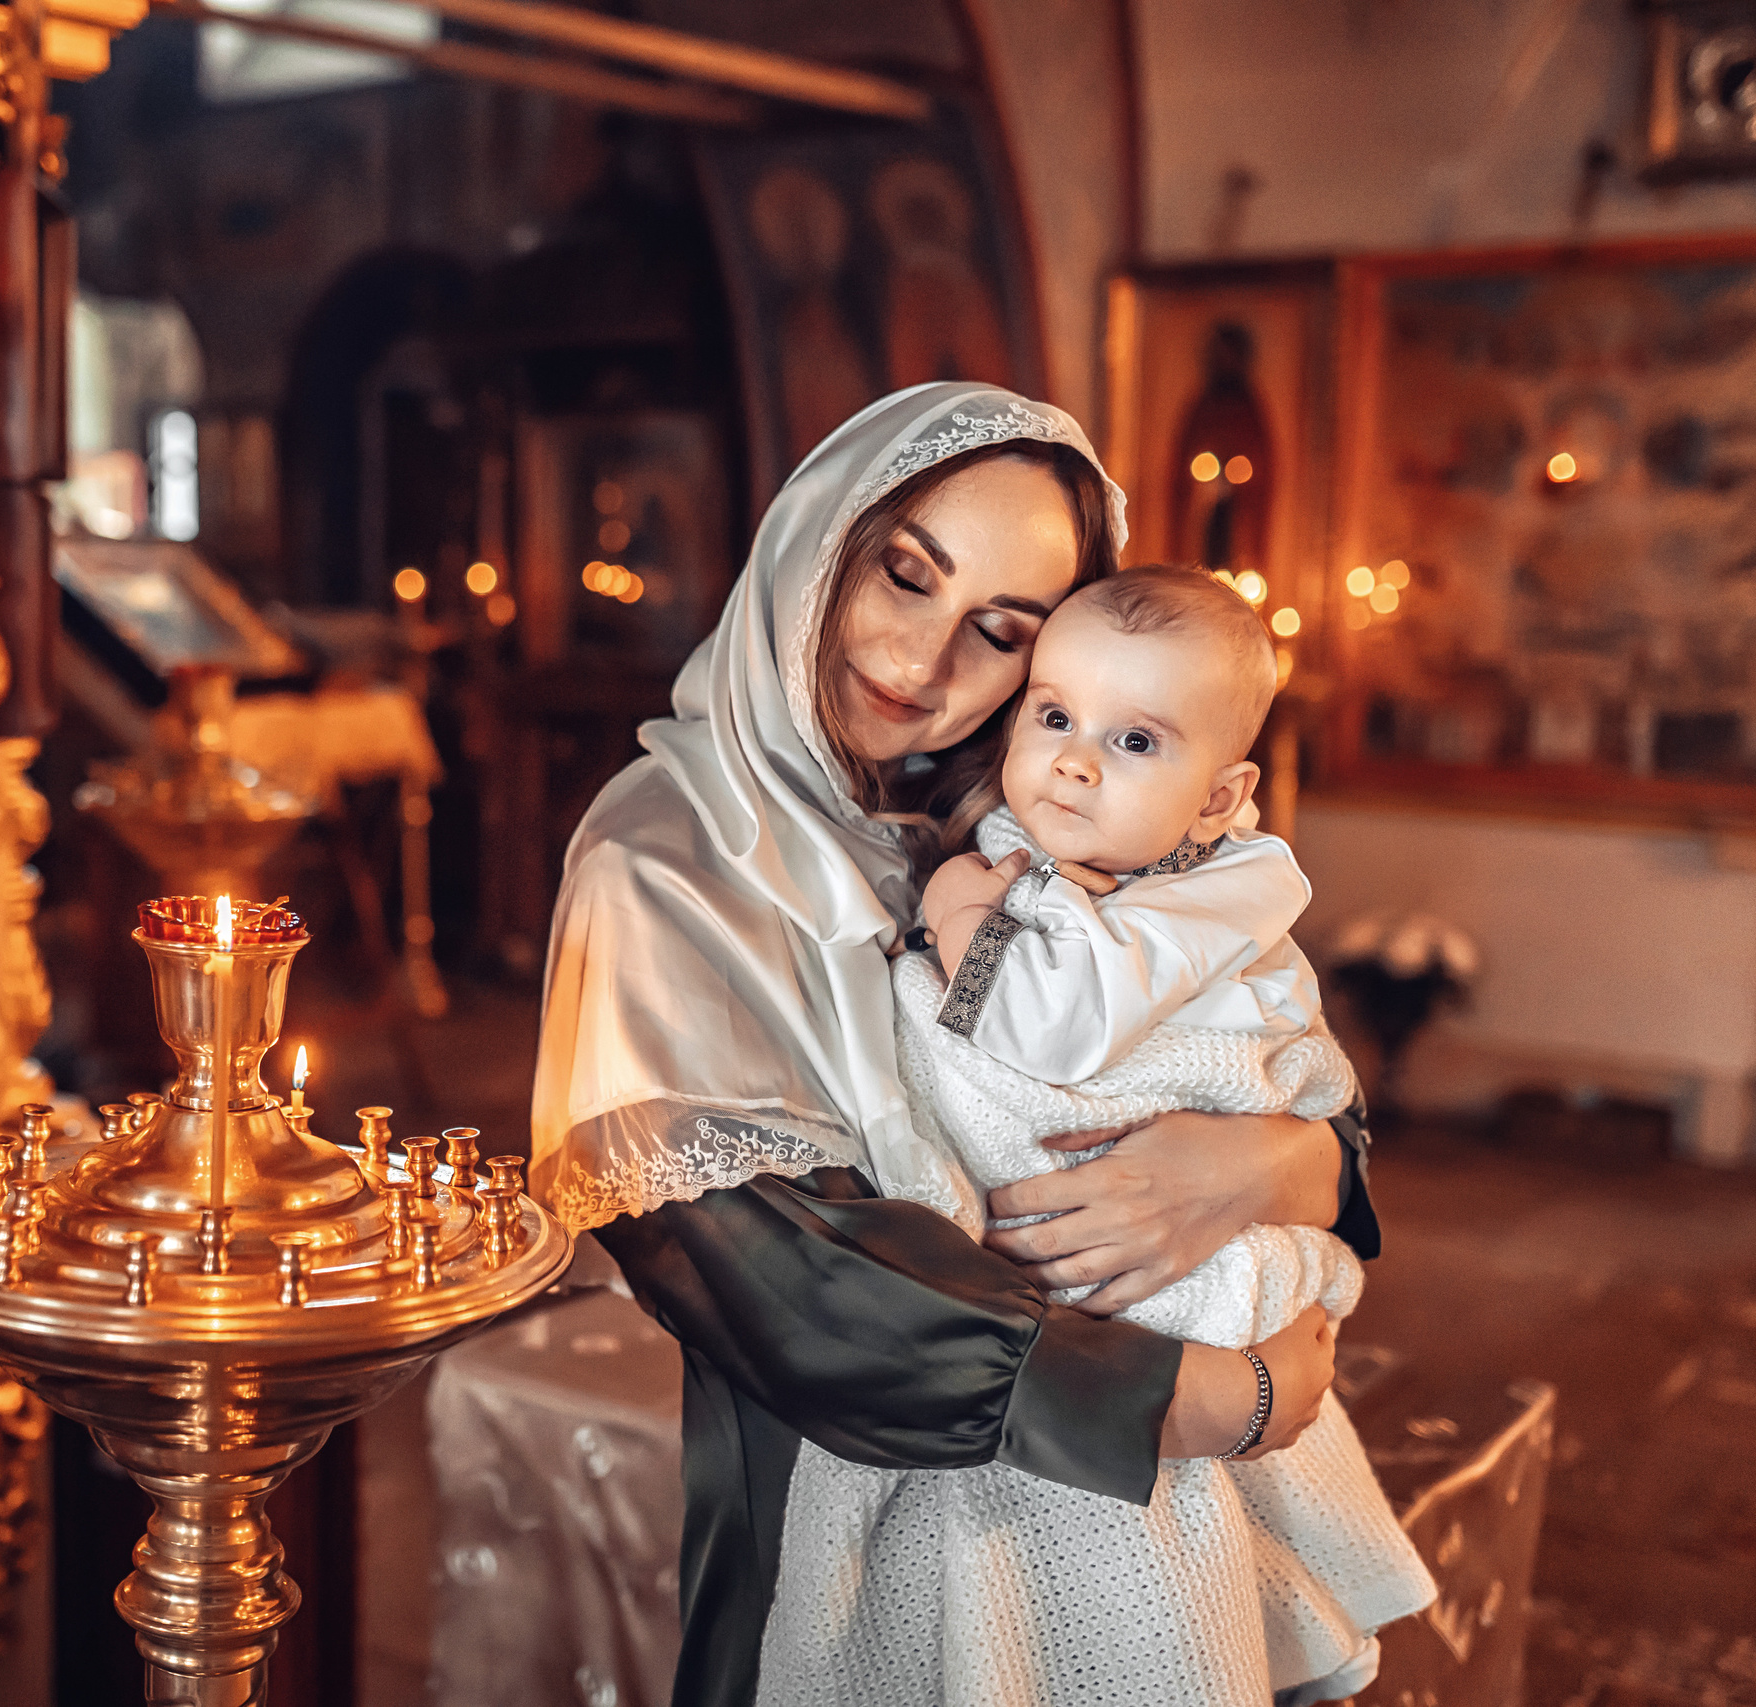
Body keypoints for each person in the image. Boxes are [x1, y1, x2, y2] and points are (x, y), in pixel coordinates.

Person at [530, 384, 1381, 1707]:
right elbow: (791, 1289)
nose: (924, 663)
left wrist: (1278, 1168)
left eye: (999, 636)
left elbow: (1256, 1041)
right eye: (905, 574)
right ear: (820, 532)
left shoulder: (1013, 824)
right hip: (835, 1517)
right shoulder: (662, 858)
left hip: (1135, 1517)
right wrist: (1226, 1396)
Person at [752, 567, 1433, 1705]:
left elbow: (1058, 1039)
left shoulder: (1224, 888)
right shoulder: (1055, 836)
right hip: (1014, 1328)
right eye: (1056, 716)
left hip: (1147, 1263)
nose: (1072, 761)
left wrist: (960, 909)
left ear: (1218, 799)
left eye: (1133, 741)